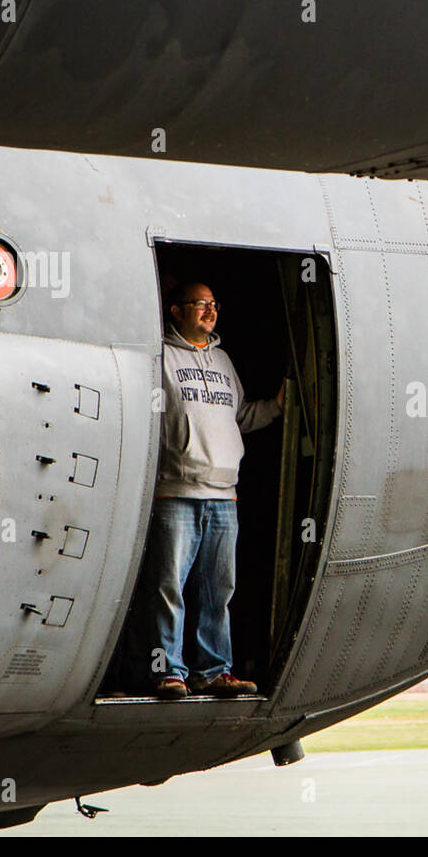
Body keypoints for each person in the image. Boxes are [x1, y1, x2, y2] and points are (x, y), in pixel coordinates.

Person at [134, 281, 285, 699]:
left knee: (217, 592)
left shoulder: (222, 360)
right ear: (176, 310)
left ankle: (213, 671)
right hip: (176, 494)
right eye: (200, 304)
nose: (210, 310)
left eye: (214, 304)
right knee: (168, 588)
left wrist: (276, 407)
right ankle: (168, 672)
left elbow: (239, 417)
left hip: (223, 496)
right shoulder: (161, 358)